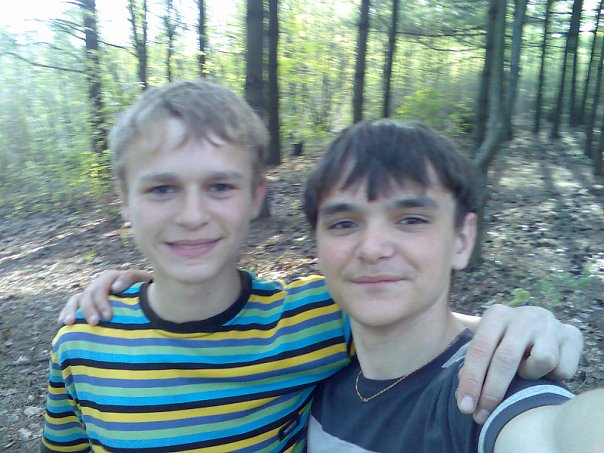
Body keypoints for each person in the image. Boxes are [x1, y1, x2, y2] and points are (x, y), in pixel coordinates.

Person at [44, 78, 583, 452]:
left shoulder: (311, 317)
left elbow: (423, 321)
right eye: (161, 189)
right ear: (124, 202)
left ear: (256, 197)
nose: (191, 215)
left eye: (220, 186)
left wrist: (524, 324)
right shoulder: (81, 343)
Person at [304, 119, 603, 452]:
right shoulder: (310, 381)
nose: (372, 248)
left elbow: (560, 433)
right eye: (343, 224)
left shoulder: (485, 392)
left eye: (411, 219)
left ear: (462, 240)